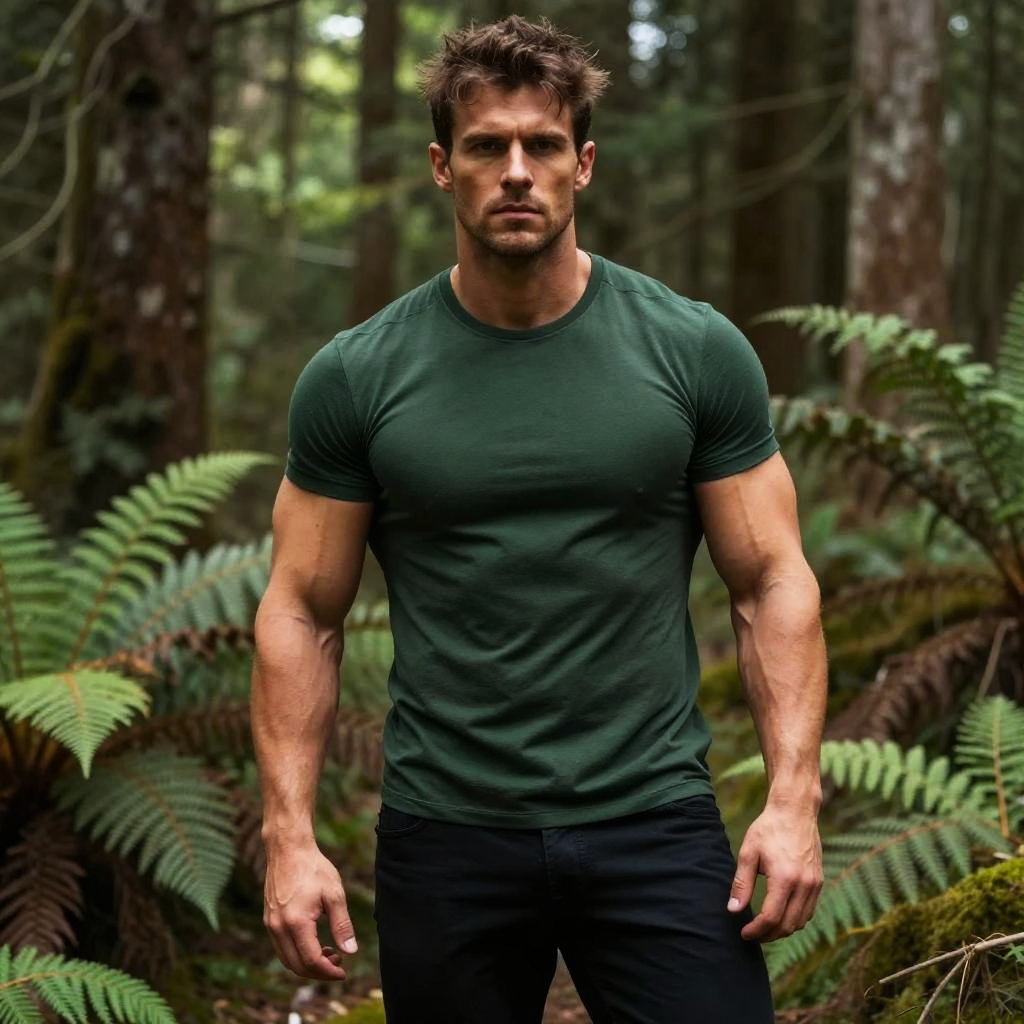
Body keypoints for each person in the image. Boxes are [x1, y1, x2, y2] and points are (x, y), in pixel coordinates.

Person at [251, 15, 826, 1024]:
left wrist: (792, 800)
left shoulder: (693, 351)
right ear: (442, 165)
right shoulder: (357, 376)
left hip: (652, 815)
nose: (516, 171)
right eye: (486, 146)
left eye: (543, 145)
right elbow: (302, 609)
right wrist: (289, 837)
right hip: (447, 830)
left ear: (582, 164)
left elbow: (771, 579)